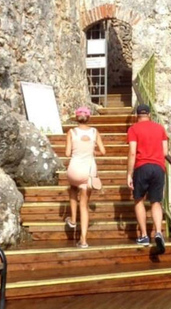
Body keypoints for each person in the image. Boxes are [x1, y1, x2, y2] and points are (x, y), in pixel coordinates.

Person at [126, 104, 168, 254]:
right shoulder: (160, 128)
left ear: (138, 115)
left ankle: (144, 235)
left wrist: (129, 174)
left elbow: (132, 152)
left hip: (141, 166)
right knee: (156, 201)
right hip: (158, 167)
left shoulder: (133, 129)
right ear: (149, 114)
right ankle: (158, 231)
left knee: (139, 199)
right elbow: (165, 151)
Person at [65, 106, 105, 248]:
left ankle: (73, 219)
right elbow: (103, 151)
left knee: (72, 188)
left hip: (74, 169)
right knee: (84, 205)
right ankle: (83, 241)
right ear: (89, 117)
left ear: (76, 118)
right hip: (89, 172)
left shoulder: (71, 132)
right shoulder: (95, 132)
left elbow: (68, 153)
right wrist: (94, 152)